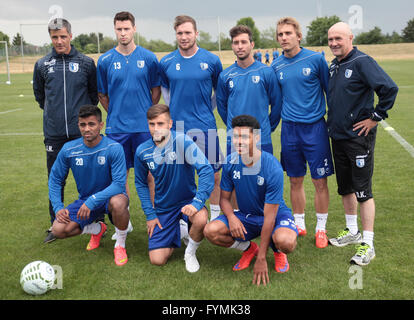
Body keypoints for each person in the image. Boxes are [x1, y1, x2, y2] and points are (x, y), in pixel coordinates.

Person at [327, 22, 398, 266]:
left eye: (338, 38)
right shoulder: (335, 65)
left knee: (363, 191)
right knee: (345, 188)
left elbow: (389, 88)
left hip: (358, 139)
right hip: (338, 137)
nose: (334, 43)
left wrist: (375, 117)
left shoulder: (362, 62)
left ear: (350, 37)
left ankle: (368, 243)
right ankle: (352, 231)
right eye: (330, 39)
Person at [204, 115, 298, 286]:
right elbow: (224, 199)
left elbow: (269, 217)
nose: (239, 142)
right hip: (246, 216)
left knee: (286, 241)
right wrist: (232, 218)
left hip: (274, 216)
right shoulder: (231, 161)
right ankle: (249, 248)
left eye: (244, 137)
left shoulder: (272, 167)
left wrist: (262, 259)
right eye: (235, 136)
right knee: (211, 231)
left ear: (256, 138)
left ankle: (277, 251)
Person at [33, 18, 98, 243]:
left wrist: (80, 121)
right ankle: (55, 222)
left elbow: (93, 96)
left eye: (62, 36)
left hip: (82, 133)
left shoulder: (87, 63)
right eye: (54, 37)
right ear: (50, 38)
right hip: (55, 132)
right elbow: (41, 97)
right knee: (55, 177)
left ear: (70, 35)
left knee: (92, 178)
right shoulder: (42, 65)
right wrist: (56, 116)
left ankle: (97, 220)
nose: (59, 41)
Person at [97, 11, 161, 239]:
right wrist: (115, 114)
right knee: (118, 179)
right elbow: (102, 94)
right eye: (119, 29)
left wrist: (144, 116)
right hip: (116, 131)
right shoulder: (105, 61)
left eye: (126, 28)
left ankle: (156, 222)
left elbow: (156, 92)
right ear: (114, 30)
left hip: (144, 130)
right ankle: (124, 225)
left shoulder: (150, 58)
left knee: (151, 176)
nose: (123, 33)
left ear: (134, 29)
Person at [271, 17, 334, 248]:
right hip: (289, 130)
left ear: (299, 36)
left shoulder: (316, 59)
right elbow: (276, 101)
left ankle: (321, 228)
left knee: (319, 181)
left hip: (315, 128)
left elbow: (330, 92)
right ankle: (299, 223)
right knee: (295, 179)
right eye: (280, 34)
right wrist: (271, 126)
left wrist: (333, 122)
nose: (284, 38)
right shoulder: (276, 66)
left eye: (288, 33)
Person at [134, 104, 214, 273]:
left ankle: (190, 253)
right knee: (157, 260)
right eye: (152, 124)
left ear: (170, 124)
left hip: (188, 202)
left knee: (200, 220)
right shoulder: (142, 151)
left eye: (161, 124)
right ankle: (181, 230)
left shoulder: (182, 141)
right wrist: (150, 214)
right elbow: (140, 183)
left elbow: (206, 169)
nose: (156, 128)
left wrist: (197, 202)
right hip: (164, 207)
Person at [159, 15, 223, 223]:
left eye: (188, 32)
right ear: (175, 35)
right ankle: (182, 218)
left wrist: (208, 108)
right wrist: (172, 109)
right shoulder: (167, 61)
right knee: (180, 176)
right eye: (180, 33)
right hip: (177, 128)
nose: (184, 37)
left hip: (206, 127)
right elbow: (165, 89)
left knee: (214, 174)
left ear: (196, 33)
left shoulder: (211, 60)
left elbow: (218, 91)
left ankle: (215, 215)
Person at [48, 105, 130, 266]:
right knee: (58, 229)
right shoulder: (69, 149)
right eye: (82, 125)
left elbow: (119, 184)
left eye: (91, 124)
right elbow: (55, 180)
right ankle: (98, 229)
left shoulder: (114, 148)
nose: (87, 129)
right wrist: (58, 208)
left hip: (109, 198)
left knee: (119, 202)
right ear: (78, 125)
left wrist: (93, 200)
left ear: (101, 125)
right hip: (85, 201)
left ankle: (120, 244)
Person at [216, 24, 281, 158]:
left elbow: (277, 104)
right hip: (235, 140)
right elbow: (222, 107)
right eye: (236, 43)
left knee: (262, 178)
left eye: (244, 42)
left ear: (252, 44)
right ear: (232, 46)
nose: (240, 46)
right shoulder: (225, 76)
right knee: (237, 177)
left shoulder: (266, 72)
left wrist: (267, 128)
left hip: (261, 139)